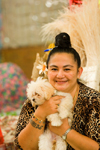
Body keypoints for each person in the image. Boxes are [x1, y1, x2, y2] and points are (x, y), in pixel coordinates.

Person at [14, 32, 100, 150]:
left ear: (79, 72)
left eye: (67, 69)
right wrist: (41, 113)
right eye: (54, 69)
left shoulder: (93, 100)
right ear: (47, 71)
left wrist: (65, 131)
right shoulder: (37, 97)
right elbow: (22, 146)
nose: (60, 75)